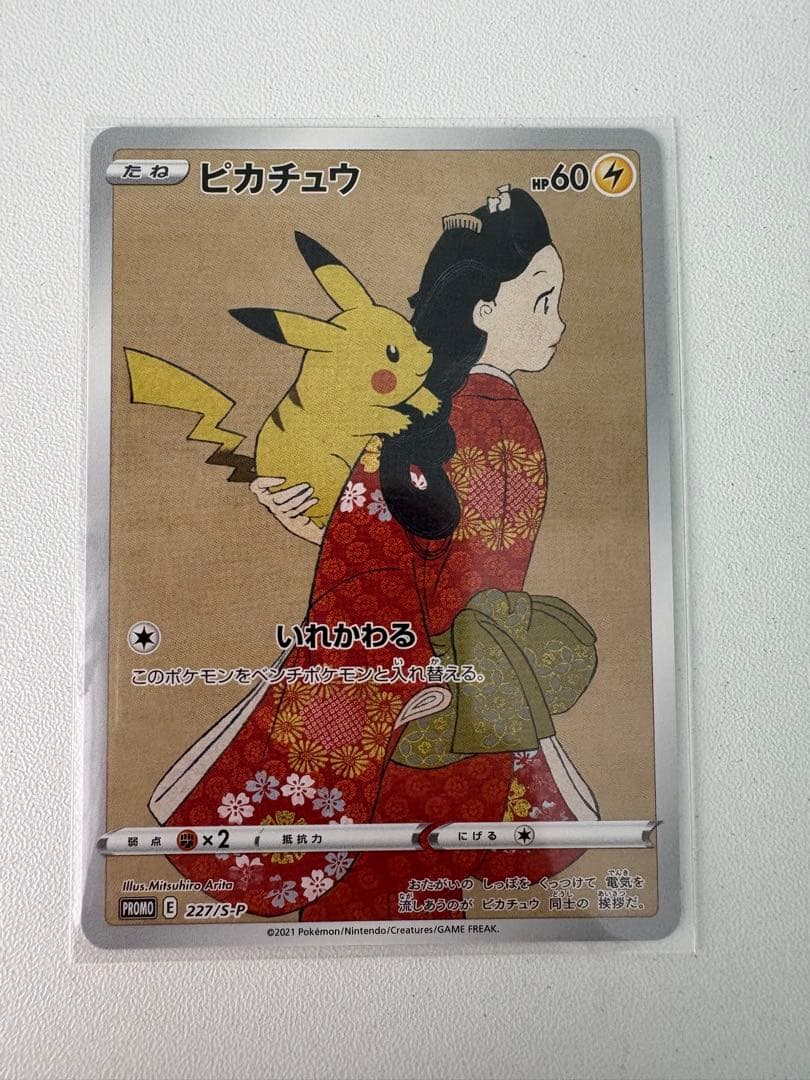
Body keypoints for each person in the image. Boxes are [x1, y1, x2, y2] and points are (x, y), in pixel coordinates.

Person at [157, 186, 598, 919]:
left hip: (410, 715)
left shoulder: (427, 426)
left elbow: (378, 572)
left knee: (368, 910)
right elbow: (435, 548)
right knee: (426, 908)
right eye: (542, 301)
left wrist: (340, 540)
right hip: (479, 705)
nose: (558, 324)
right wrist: (323, 523)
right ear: (483, 310)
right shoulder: (501, 419)